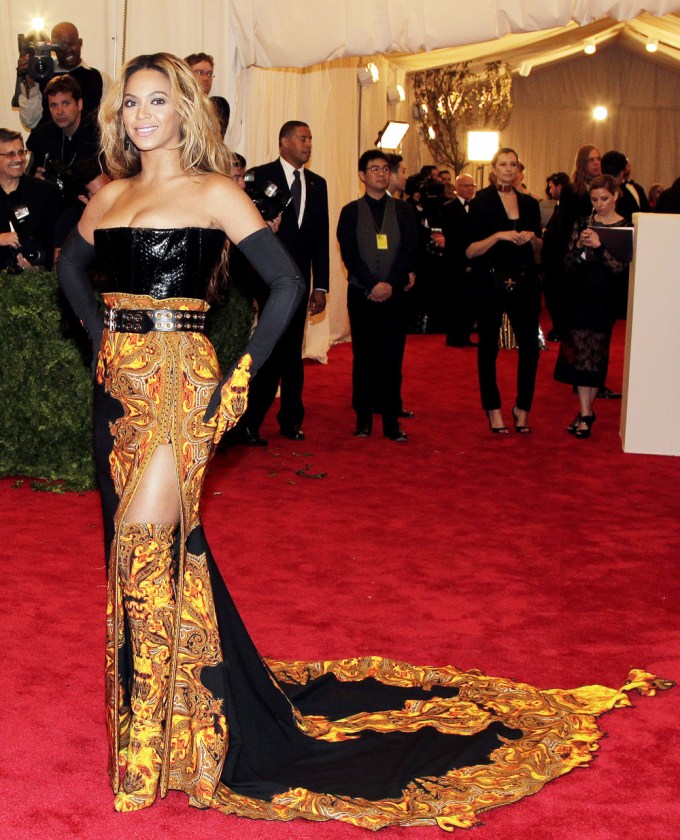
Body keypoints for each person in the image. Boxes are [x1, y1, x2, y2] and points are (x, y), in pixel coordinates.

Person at [239, 121, 329, 442]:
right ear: (284, 142)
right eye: (302, 138)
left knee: (292, 351)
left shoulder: (319, 184)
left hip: (301, 280)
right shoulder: (257, 175)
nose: (308, 144)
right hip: (266, 277)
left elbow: (320, 239)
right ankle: (250, 420)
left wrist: (321, 285)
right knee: (271, 348)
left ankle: (290, 419)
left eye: (310, 139)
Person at [337, 150, 416, 441]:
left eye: (385, 169)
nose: (381, 174)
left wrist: (390, 284)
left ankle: (392, 421)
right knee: (364, 357)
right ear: (362, 175)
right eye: (374, 169)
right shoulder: (350, 211)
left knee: (393, 358)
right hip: (362, 294)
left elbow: (409, 250)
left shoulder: (405, 211)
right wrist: (372, 285)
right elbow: (349, 254)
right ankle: (364, 418)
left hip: (394, 296)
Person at [465, 147, 542, 434]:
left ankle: (523, 407)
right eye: (503, 164)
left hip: (527, 282)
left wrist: (532, 238)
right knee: (488, 349)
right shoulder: (481, 202)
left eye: (513, 164)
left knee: (531, 349)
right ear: (493, 169)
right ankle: (493, 408)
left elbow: (540, 253)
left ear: (519, 169)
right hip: (489, 282)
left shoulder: (530, 204)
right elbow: (471, 251)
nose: (508, 169)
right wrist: (499, 236)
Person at [554, 175, 631, 438]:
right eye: (595, 199)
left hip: (605, 299)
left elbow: (620, 268)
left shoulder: (625, 226)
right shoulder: (583, 222)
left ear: (616, 195)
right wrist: (577, 247)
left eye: (604, 199)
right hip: (580, 295)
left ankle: (587, 412)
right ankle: (586, 412)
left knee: (595, 356)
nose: (599, 204)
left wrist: (598, 247)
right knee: (579, 355)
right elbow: (567, 263)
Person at [15, 21, 109, 131]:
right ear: (53, 47)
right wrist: (29, 82)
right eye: (61, 45)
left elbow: (109, 122)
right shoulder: (39, 77)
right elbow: (30, 121)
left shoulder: (99, 78)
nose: (67, 50)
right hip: (47, 146)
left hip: (87, 147)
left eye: (71, 43)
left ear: (80, 42)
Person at [0, 127, 62, 272]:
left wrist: (38, 268)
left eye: (21, 152)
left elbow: (56, 241)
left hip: (36, 284)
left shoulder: (47, 192)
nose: (19, 159)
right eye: (10, 154)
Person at [26, 75, 100, 180]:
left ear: (79, 104)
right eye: (54, 105)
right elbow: (31, 174)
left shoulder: (99, 135)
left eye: (65, 104)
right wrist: (35, 182)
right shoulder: (41, 135)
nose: (59, 111)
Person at [440, 172, 477, 347]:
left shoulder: (478, 207)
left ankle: (466, 334)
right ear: (457, 188)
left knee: (471, 300)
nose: (470, 189)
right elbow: (452, 236)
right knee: (456, 300)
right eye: (466, 185)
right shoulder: (448, 208)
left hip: (475, 259)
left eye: (472, 186)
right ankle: (455, 336)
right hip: (455, 260)